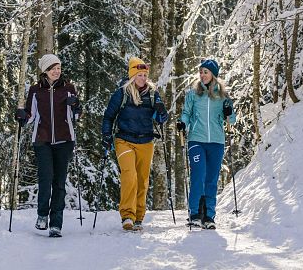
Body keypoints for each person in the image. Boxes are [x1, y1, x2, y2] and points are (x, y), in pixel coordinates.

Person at [15, 53, 81, 237]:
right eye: (53, 69)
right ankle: (42, 215)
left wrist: (76, 105)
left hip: (65, 140)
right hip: (42, 140)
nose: (57, 71)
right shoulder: (36, 90)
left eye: (59, 68)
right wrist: (22, 117)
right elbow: (31, 116)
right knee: (45, 178)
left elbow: (76, 116)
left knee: (59, 182)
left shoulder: (69, 88)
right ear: (45, 71)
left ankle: (56, 224)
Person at [101, 56, 169, 231]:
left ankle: (139, 217)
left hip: (146, 141)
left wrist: (161, 111)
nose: (143, 78)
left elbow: (161, 118)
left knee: (142, 180)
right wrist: (106, 135)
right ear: (132, 76)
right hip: (124, 140)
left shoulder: (152, 94)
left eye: (145, 75)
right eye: (139, 75)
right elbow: (109, 116)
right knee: (129, 176)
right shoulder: (121, 94)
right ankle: (127, 216)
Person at [177, 58, 236, 229]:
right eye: (201, 72)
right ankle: (195, 213)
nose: (202, 75)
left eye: (206, 72)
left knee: (211, 179)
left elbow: (231, 119)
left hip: (216, 142)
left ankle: (209, 215)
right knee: (198, 175)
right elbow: (186, 113)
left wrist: (228, 111)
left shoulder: (223, 96)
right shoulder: (193, 94)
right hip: (196, 139)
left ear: (213, 75)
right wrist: (183, 123)